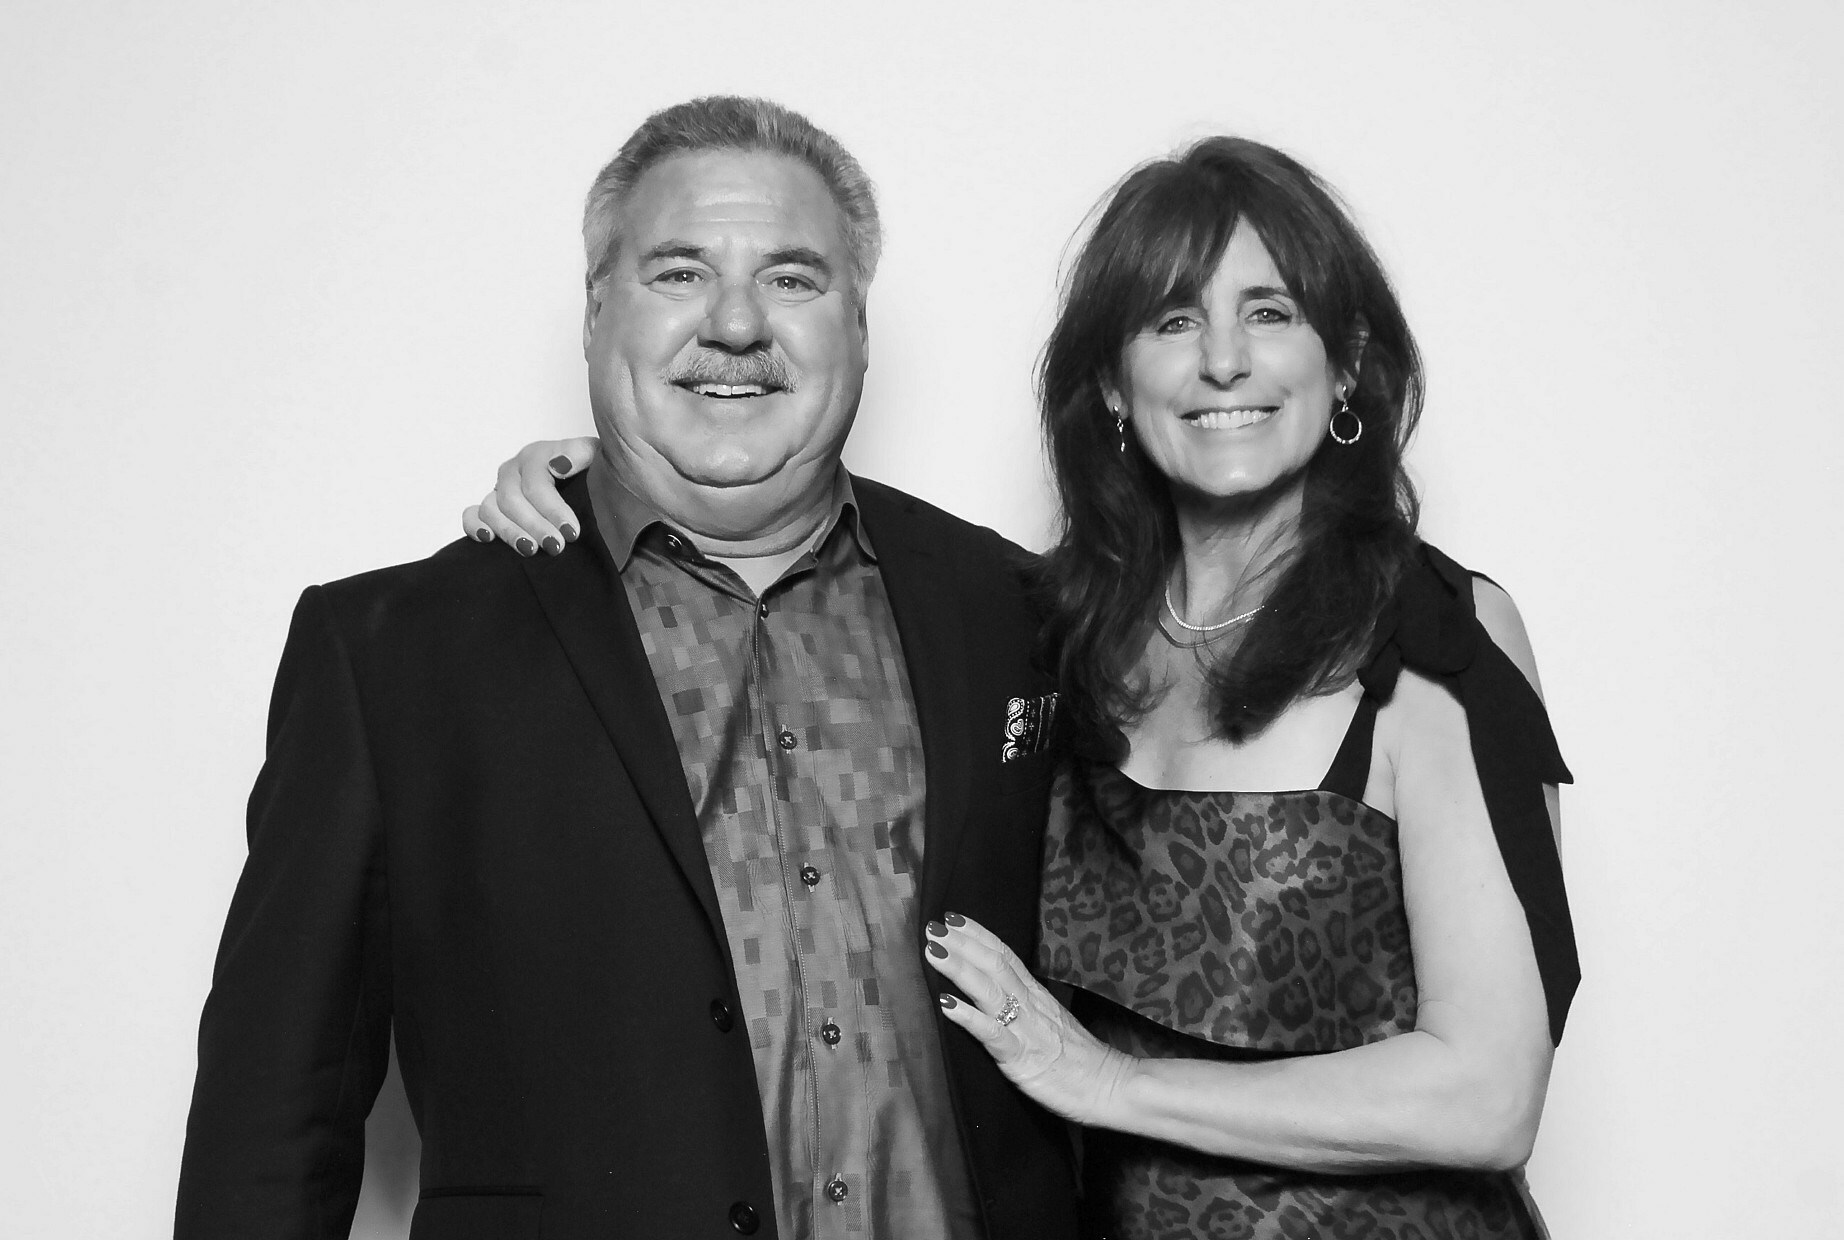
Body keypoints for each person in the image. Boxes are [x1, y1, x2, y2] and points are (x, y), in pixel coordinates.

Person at [473, 136, 1578, 1238]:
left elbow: (1488, 1098)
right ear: (1111, 383)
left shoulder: (1434, 635)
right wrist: (619, 467)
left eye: (1270, 312)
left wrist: (1107, 1081)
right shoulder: (1050, 632)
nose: (1224, 361)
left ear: (1345, 365)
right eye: (1173, 321)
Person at [175, 96, 1079, 1240]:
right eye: (678, 273)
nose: (736, 323)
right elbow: (270, 1126)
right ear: (597, 313)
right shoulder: (394, 656)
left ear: (857, 325)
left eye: (792, 278)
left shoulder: (1017, 613)